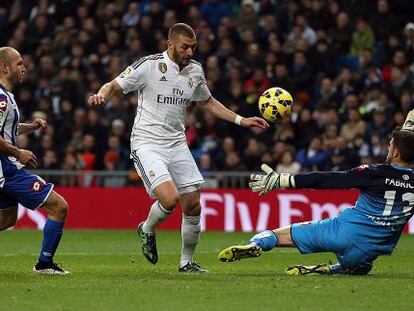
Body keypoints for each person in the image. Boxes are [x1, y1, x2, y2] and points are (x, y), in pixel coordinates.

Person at [88, 23, 268, 272]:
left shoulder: (195, 71)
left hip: (177, 143)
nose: (190, 52)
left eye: (193, 47)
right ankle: (147, 227)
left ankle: (187, 262)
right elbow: (113, 85)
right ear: (170, 44)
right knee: (170, 199)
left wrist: (241, 120)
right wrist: (101, 95)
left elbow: (207, 102)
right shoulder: (148, 65)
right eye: (185, 47)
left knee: (193, 203)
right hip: (147, 143)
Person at [219, 110, 414, 276]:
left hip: (341, 232)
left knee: (280, 235)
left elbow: (327, 179)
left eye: (391, 145)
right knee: (360, 268)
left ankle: (257, 244)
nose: (388, 147)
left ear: (396, 152)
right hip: (368, 251)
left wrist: (285, 180)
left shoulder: (374, 173)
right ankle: (326, 269)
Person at [0, 47, 69, 275]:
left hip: (6, 167)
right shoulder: (1, 98)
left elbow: (6, 129)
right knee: (59, 206)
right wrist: (18, 153)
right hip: (8, 169)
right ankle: (45, 264)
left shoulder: (6, 96)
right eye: (19, 63)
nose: (24, 68)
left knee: (7, 219)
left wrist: (29, 127)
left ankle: (45, 264)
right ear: (4, 67)